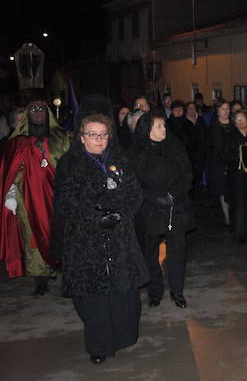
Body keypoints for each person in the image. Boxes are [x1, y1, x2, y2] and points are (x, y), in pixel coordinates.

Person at [54, 105, 147, 364]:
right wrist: (97, 217)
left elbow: (134, 194)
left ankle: (123, 336)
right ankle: (100, 345)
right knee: (94, 299)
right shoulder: (70, 163)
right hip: (87, 240)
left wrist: (120, 215)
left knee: (121, 293)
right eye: (93, 135)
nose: (99, 140)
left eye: (103, 134)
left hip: (119, 238)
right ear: (81, 137)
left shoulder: (120, 160)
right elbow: (67, 201)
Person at [0, 96, 71, 296]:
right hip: (30, 198)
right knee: (33, 236)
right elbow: (11, 172)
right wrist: (12, 193)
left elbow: (71, 166)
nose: (38, 113)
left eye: (41, 110)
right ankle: (41, 280)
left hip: (58, 196)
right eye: (33, 111)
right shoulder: (18, 142)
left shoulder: (62, 137)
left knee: (62, 234)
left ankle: (64, 273)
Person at [131, 113, 193, 309]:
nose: (163, 129)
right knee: (150, 252)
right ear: (147, 129)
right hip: (150, 208)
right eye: (158, 126)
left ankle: (177, 292)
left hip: (176, 207)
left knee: (177, 251)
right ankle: (155, 291)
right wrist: (155, 198)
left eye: (164, 126)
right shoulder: (136, 152)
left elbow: (187, 173)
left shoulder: (175, 147)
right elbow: (134, 183)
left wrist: (175, 194)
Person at [223, 109, 247, 242]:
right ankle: (238, 233)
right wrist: (240, 155)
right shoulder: (231, 136)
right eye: (236, 120)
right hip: (236, 175)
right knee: (237, 203)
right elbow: (224, 154)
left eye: (241, 119)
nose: (238, 122)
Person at [206, 99, 232, 225]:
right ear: (217, 111)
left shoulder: (232, 123)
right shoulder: (214, 126)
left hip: (232, 161)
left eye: (227, 108)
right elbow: (215, 146)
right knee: (222, 190)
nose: (225, 111)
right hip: (219, 162)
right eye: (223, 109)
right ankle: (227, 215)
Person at [184, 101, 209, 194]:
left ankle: (197, 188)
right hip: (189, 153)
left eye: (193, 108)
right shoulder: (184, 121)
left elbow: (206, 134)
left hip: (201, 152)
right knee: (191, 172)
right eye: (190, 108)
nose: (192, 110)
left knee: (199, 171)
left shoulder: (201, 120)